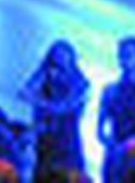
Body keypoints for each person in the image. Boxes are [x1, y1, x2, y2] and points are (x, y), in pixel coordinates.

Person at [19, 39, 90, 177]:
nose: (61, 61)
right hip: (45, 135)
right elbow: (24, 92)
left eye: (64, 57)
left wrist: (41, 103)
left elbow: (65, 107)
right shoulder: (45, 73)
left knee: (68, 172)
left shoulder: (80, 81)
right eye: (57, 57)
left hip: (67, 138)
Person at [98, 36, 135, 183]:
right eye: (122, 55)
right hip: (116, 148)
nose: (124, 60)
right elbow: (100, 127)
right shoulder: (111, 90)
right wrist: (110, 143)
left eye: (129, 55)